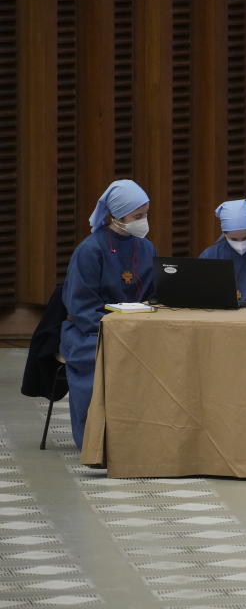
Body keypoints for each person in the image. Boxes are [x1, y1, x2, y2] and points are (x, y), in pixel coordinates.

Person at [60, 179, 156, 449]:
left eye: (146, 214)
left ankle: (148, 437)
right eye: (138, 216)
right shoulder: (90, 250)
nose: (143, 221)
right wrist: (114, 328)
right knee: (97, 360)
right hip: (90, 331)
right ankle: (95, 442)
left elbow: (155, 294)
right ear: (117, 216)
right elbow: (80, 307)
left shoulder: (146, 248)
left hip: (135, 329)